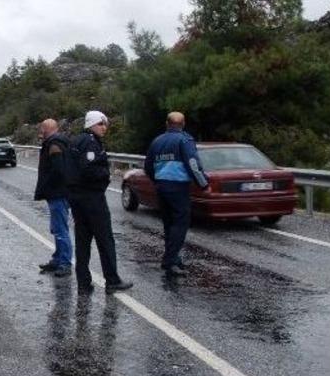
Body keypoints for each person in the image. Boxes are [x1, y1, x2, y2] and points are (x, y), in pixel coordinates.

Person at [68, 110, 133, 295]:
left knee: (82, 241)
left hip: (77, 198)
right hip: (92, 198)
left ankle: (83, 282)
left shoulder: (77, 140)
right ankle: (112, 280)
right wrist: (106, 175)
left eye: (105, 124)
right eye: (101, 124)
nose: (104, 128)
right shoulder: (90, 142)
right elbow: (89, 169)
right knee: (105, 239)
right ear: (91, 124)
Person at [144, 112, 209, 277]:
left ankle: (173, 257)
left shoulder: (157, 141)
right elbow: (193, 164)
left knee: (169, 225)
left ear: (167, 124)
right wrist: (203, 184)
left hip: (161, 187)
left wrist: (157, 180)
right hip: (179, 187)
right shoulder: (184, 140)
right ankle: (170, 261)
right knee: (180, 224)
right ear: (183, 124)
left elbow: (148, 166)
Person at [34, 119, 72, 277]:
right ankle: (57, 259)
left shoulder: (54, 145)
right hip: (59, 192)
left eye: (42, 128)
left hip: (58, 193)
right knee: (57, 228)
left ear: (47, 129)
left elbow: (58, 170)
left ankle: (65, 263)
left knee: (61, 229)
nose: (40, 131)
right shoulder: (58, 142)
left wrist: (47, 185)